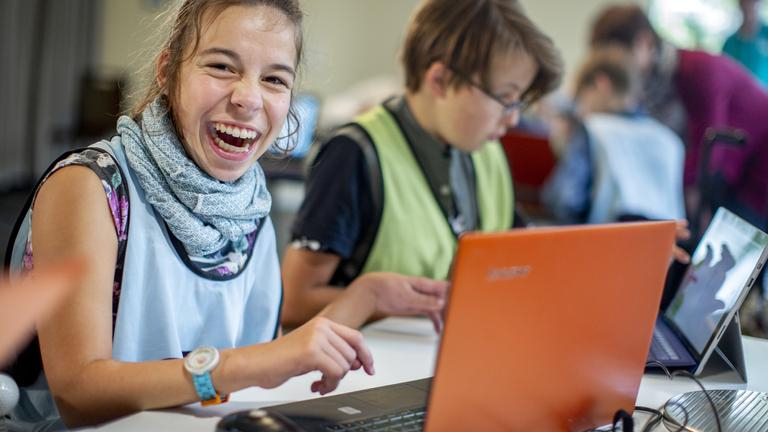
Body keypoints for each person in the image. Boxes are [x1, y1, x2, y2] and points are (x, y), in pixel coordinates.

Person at [2, 0, 376, 428]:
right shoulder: (90, 186)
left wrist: (368, 295)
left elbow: (257, 376)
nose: (248, 98)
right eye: (221, 66)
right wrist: (245, 365)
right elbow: (78, 393)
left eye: (274, 79)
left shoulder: (249, 205)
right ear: (167, 70)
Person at [280, 0, 564, 328]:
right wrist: (383, 301)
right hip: (375, 368)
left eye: (520, 103)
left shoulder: (486, 151)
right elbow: (293, 301)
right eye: (505, 98)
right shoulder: (355, 153)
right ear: (440, 80)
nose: (513, 118)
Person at [589, 4, 768, 235]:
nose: (617, 71)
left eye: (619, 60)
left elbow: (709, 156)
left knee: (740, 245)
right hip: (734, 170)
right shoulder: (654, 86)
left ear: (643, 42)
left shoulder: (700, 71)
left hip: (758, 170)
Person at [541, 46, 686, 224]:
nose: (580, 109)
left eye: (581, 97)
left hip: (605, 243)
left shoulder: (592, 129)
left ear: (602, 84)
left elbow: (563, 200)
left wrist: (562, 147)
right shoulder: (669, 140)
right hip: (664, 246)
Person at [723, 0, 768, 87]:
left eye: (755, 2)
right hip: (741, 98)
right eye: (747, 2)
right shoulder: (730, 44)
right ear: (740, 4)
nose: (751, 6)